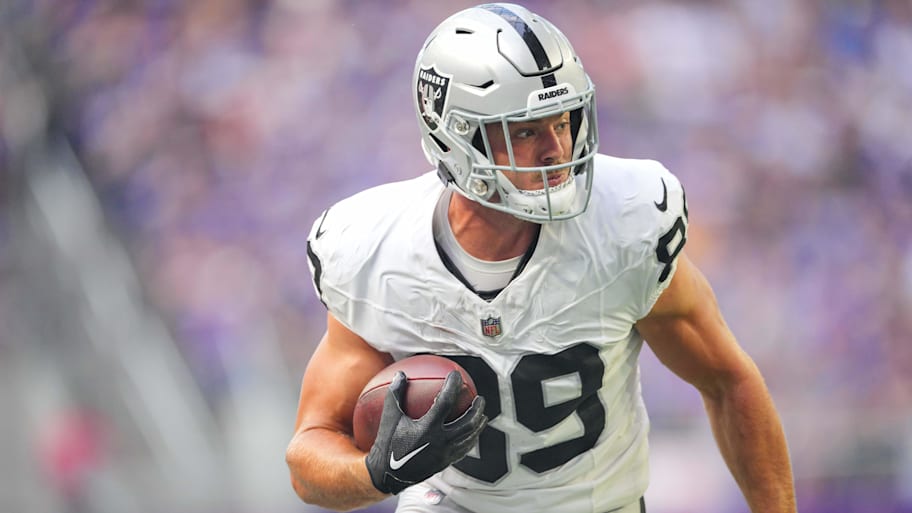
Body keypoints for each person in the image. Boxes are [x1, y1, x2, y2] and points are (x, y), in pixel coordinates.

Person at [286, 3, 797, 513]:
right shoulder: (377, 251)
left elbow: (728, 381)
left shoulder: (625, 224)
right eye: (525, 131)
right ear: (456, 136)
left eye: (564, 120)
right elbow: (310, 453)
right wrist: (375, 472)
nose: (557, 150)